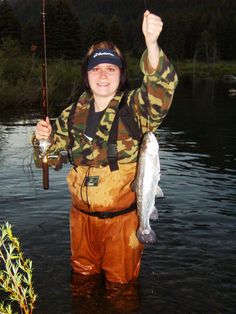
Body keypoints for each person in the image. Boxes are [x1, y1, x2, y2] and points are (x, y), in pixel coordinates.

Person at [33, 10, 178, 286]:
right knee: (82, 285)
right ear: (87, 75)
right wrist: (42, 139)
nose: (103, 75)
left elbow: (163, 88)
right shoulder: (72, 114)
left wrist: (151, 43)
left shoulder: (135, 109)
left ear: (120, 74)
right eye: (96, 68)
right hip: (81, 223)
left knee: (121, 291)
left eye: (111, 68)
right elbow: (47, 160)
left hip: (122, 226)